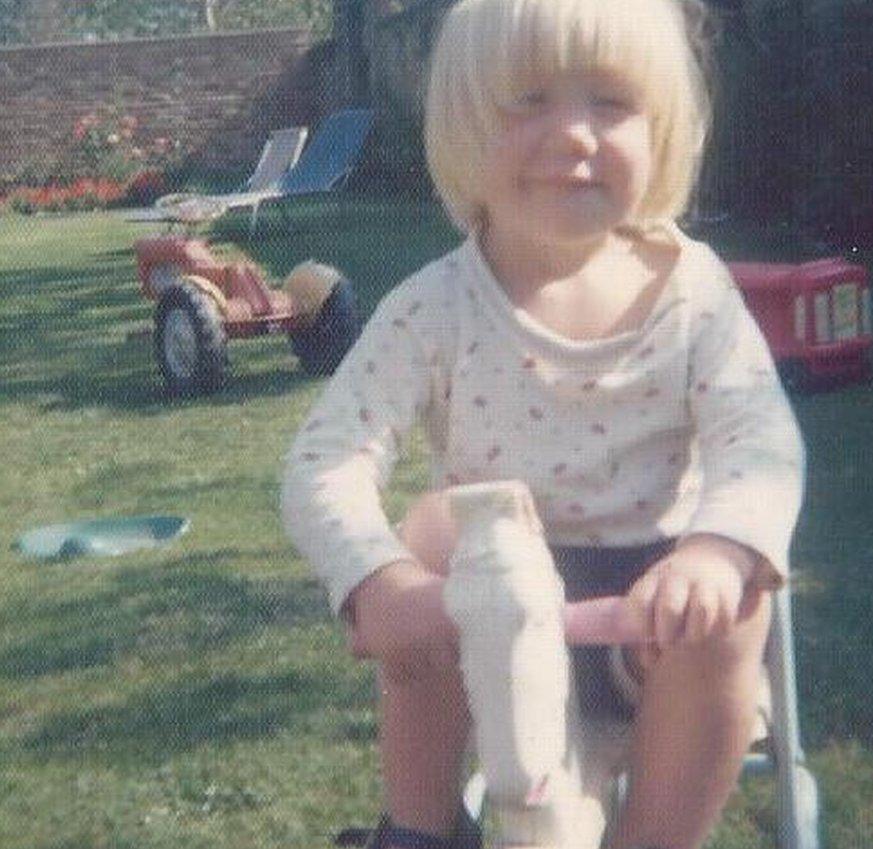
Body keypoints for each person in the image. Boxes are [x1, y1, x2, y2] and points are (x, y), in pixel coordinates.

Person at [281, 1, 805, 848]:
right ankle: (417, 825)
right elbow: (324, 460)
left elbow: (761, 439)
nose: (573, 134)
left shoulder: (694, 294)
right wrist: (374, 577)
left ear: (662, 126)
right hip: (483, 621)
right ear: (463, 127)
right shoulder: (433, 308)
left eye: (610, 102)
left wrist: (718, 549)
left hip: (650, 630)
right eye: (528, 100)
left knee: (734, 598)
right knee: (429, 534)